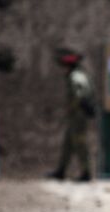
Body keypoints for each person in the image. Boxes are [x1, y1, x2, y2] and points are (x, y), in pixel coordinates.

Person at [47, 50, 94, 182]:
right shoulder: (81, 75)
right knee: (68, 143)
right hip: (78, 115)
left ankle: (86, 172)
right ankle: (61, 170)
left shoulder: (75, 77)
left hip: (78, 116)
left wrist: (72, 108)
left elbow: (78, 96)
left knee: (79, 144)